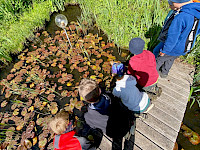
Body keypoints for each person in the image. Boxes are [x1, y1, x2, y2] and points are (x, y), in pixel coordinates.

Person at [78, 78, 135, 150]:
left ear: (85, 100)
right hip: (124, 124)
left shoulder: (88, 116)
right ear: (99, 90)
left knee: (117, 140)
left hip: (111, 133)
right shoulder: (111, 98)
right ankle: (130, 129)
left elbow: (93, 126)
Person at [156, 0, 200, 78]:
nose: (171, 4)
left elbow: (172, 37)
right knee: (170, 59)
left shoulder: (181, 16)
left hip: (174, 46)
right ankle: (164, 73)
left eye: (172, 2)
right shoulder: (196, 12)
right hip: (186, 46)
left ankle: (151, 76)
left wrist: (164, 50)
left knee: (159, 60)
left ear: (178, 2)